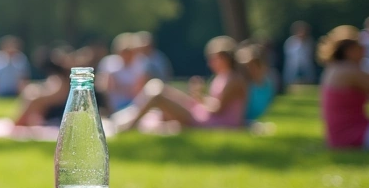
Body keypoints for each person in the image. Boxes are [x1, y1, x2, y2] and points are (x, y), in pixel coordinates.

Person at [114, 36, 248, 132]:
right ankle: (128, 121)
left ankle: (129, 125)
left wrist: (200, 97)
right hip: (207, 117)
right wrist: (198, 97)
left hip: (213, 122)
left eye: (213, 59)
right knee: (158, 89)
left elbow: (217, 109)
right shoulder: (225, 77)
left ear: (224, 58)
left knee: (158, 93)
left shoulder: (233, 79)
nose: (210, 63)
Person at [13, 49, 71, 127]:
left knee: (34, 100)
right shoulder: (57, 77)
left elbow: (57, 96)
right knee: (31, 91)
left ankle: (18, 123)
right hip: (52, 106)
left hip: (58, 109)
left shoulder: (65, 79)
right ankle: (20, 123)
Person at [97, 33, 147, 111]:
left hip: (135, 106)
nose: (127, 55)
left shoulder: (141, 64)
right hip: (112, 105)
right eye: (124, 52)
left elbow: (139, 90)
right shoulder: (108, 63)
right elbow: (103, 87)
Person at [238, 44, 276, 124]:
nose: (251, 69)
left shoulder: (268, 83)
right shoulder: (244, 84)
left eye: (254, 65)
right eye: (248, 66)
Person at [283, 21, 316, 87]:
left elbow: (311, 52)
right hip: (293, 61)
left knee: (309, 74)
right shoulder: (291, 40)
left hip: (306, 61)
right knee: (291, 74)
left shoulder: (308, 41)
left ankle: (309, 83)